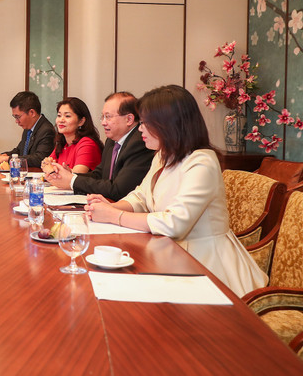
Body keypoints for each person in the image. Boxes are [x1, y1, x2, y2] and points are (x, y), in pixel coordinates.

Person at [84, 85, 268, 297]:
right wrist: (111, 207)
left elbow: (175, 223)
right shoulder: (163, 155)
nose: (140, 129)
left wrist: (115, 216)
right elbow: (141, 196)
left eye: (145, 123)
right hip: (169, 252)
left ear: (168, 125)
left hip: (207, 266)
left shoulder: (202, 162)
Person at [45, 91, 153, 200]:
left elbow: (119, 190)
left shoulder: (140, 143)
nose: (103, 123)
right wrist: (71, 175)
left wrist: (72, 180)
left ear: (129, 119)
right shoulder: (111, 141)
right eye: (103, 117)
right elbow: (99, 175)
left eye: (108, 117)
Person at [40, 97, 103, 174]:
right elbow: (47, 163)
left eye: (67, 116)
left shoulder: (87, 144)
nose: (61, 120)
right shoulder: (63, 144)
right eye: (59, 115)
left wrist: (52, 170)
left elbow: (76, 176)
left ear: (81, 121)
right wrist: (47, 164)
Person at [0, 91, 55, 168]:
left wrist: (7, 159)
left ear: (32, 113)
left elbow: (39, 159)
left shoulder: (47, 130)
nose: (16, 121)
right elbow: (19, 151)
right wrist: (3, 155)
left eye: (18, 117)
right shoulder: (28, 128)